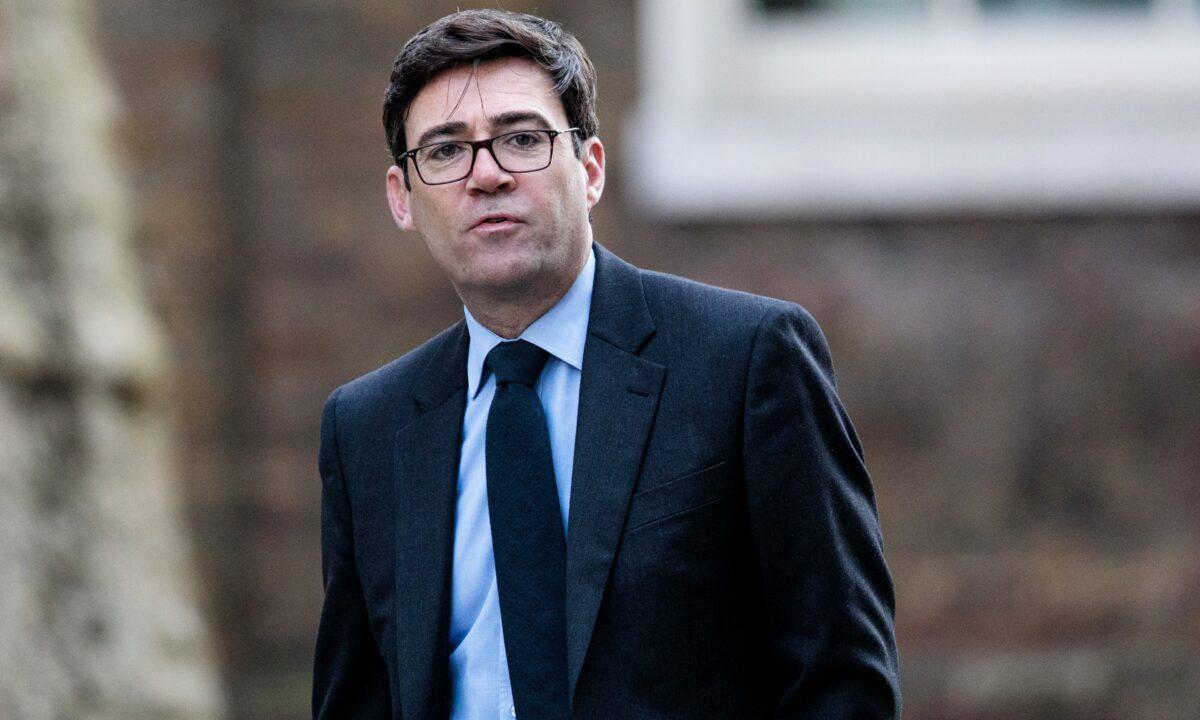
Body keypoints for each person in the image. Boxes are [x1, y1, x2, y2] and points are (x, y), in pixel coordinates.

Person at [313, 9, 900, 720]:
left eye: (521, 138)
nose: (487, 174)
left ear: (589, 169)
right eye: (444, 151)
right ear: (403, 199)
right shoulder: (366, 429)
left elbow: (842, 680)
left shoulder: (746, 360)